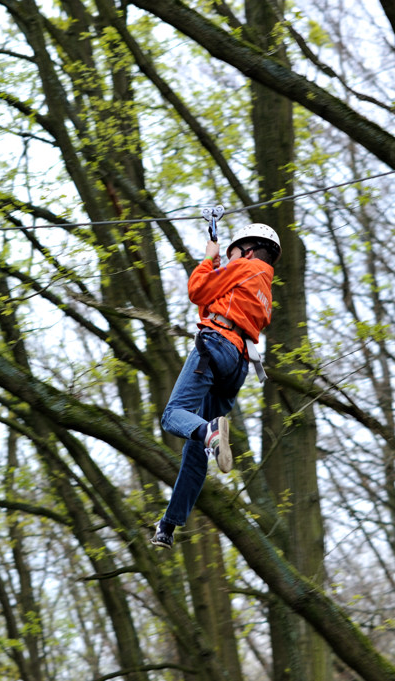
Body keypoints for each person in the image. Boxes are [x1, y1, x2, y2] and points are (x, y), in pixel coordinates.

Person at [151, 223, 281, 550]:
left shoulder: (244, 267)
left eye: (232, 252)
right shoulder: (264, 287)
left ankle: (209, 431)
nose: (229, 256)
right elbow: (211, 304)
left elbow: (197, 290)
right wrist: (221, 269)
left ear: (248, 251)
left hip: (216, 346)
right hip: (237, 365)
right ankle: (169, 525)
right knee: (198, 451)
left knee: (173, 416)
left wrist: (209, 260)